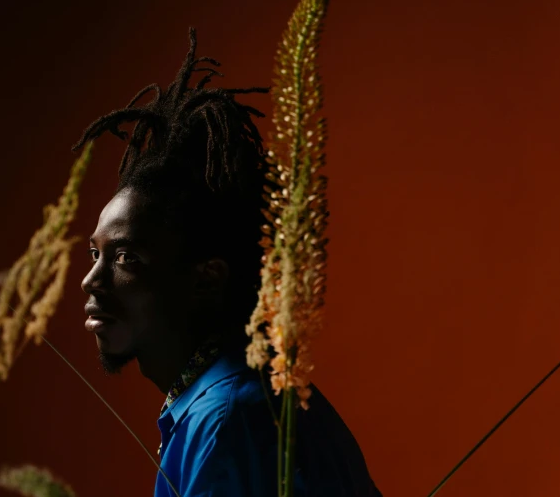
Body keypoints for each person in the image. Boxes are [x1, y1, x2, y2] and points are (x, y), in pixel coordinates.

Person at [75, 28, 382, 497]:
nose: (91, 280)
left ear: (206, 278)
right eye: (95, 254)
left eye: (125, 258)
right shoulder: (234, 396)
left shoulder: (226, 416)